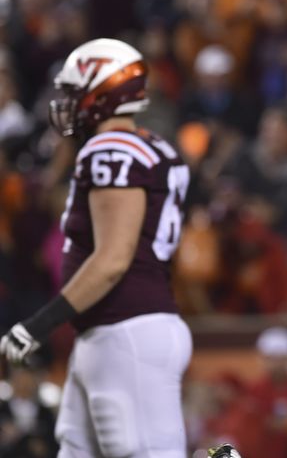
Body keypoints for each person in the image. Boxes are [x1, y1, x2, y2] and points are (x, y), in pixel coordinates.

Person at [0, 38, 193, 457]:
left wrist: (40, 323)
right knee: (75, 448)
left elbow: (113, 258)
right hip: (113, 330)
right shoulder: (153, 146)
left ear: (106, 92)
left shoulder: (111, 148)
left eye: (75, 91)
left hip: (126, 329)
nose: (67, 102)